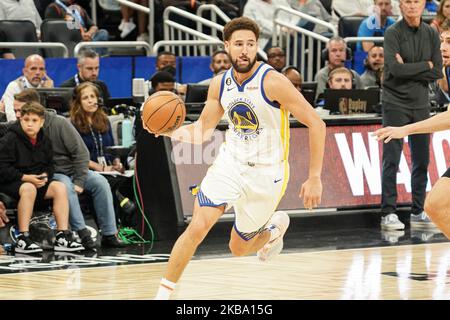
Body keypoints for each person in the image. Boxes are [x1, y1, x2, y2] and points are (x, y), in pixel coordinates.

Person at [146, 16, 326, 300]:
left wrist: (314, 177)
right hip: (230, 163)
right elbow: (202, 131)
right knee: (198, 227)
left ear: (257, 47)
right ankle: (163, 295)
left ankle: (275, 228)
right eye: (239, 44)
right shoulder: (220, 84)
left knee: (238, 248)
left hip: (267, 173)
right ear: (227, 46)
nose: (245, 50)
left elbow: (317, 123)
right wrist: (168, 131)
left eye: (251, 44)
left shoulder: (274, 82)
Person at [13, 89, 124, 249]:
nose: (18, 114)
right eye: (17, 111)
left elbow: (81, 153)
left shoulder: (59, 123)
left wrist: (79, 180)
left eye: (20, 110)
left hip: (73, 170)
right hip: (53, 173)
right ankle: (81, 232)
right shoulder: (20, 126)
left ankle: (109, 234)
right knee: (65, 187)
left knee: (101, 183)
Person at [379, 0, 442, 231]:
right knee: (392, 159)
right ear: (400, 5)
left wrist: (413, 67)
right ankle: (388, 213)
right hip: (394, 102)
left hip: (421, 103)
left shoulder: (431, 33)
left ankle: (418, 210)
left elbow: (437, 70)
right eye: (407, 2)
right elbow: (395, 70)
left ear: (423, 4)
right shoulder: (392, 33)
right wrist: (424, 64)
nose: (412, 6)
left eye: (416, 1)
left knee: (422, 159)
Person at [0, 102, 84, 253]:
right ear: (20, 120)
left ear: (42, 122)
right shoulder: (9, 139)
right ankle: (23, 238)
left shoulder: (44, 139)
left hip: (35, 180)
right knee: (29, 188)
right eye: (26, 120)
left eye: (34, 120)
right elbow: (2, 169)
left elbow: (50, 165)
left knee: (59, 187)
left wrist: (45, 176)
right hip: (12, 182)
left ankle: (62, 235)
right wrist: (27, 177)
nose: (30, 124)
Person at [1, 54, 53, 122]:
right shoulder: (14, 86)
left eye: (41, 69)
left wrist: (49, 91)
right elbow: (11, 118)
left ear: (44, 73)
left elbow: (50, 117)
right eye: (33, 68)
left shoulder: (46, 86)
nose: (37, 72)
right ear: (25, 71)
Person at [44, 0, 109, 56]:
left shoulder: (78, 8)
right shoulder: (54, 8)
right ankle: (91, 55)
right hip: (71, 40)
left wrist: (89, 34)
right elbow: (54, 31)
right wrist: (79, 35)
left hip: (87, 39)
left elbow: (93, 26)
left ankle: (95, 57)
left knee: (103, 33)